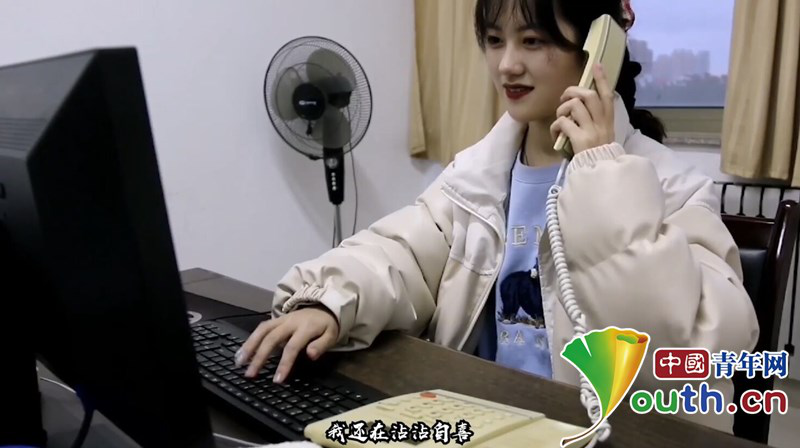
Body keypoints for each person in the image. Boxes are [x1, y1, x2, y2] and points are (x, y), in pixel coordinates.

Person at [239, 0, 758, 433]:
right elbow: (402, 253)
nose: (506, 64)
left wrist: (603, 176)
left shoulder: (672, 185)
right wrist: (330, 301)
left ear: (599, 50)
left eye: (532, 41)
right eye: (493, 40)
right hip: (480, 422)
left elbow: (690, 350)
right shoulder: (477, 174)